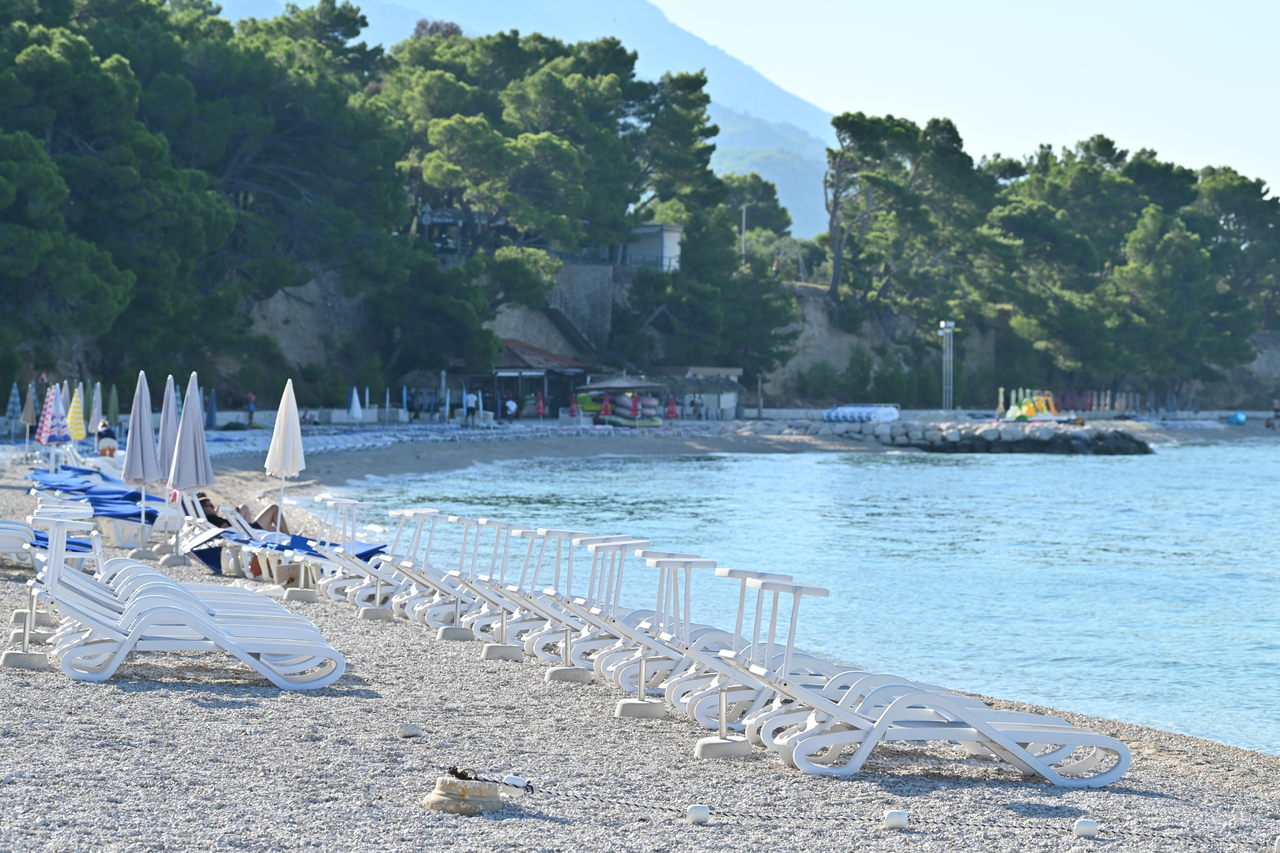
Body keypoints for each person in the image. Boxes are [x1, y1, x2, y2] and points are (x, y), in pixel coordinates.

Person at [197, 493, 289, 534]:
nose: (214, 508)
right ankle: (290, 538)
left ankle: (290, 537)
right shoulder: (211, 518)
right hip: (247, 533)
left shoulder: (211, 519)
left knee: (272, 528)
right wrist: (236, 519)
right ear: (204, 509)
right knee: (274, 508)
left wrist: (237, 516)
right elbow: (226, 528)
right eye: (211, 506)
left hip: (245, 530)